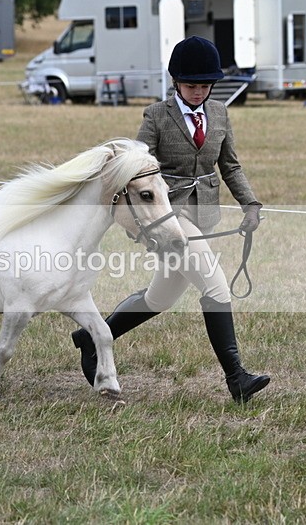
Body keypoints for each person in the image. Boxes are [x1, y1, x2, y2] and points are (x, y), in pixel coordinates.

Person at [71, 36, 270, 403]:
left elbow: (230, 166)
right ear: (176, 82)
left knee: (158, 297)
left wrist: (250, 204)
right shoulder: (157, 116)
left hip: (204, 215)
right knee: (215, 287)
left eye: (205, 86)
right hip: (168, 216)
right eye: (191, 85)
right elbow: (133, 165)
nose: (198, 92)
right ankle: (236, 378)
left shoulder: (221, 113)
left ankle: (90, 337)